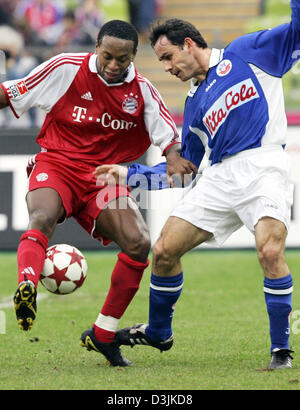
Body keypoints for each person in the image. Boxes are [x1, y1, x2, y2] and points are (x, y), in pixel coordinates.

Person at [110, 0, 300, 370]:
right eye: (161, 62)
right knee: (164, 250)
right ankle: (159, 333)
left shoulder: (248, 52)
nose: (167, 68)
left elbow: (297, 29)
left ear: (189, 44)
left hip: (264, 166)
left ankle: (281, 351)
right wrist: (129, 174)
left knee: (269, 251)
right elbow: (185, 170)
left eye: (168, 57)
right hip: (218, 177)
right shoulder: (194, 101)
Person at [0, 20, 196, 367]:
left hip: (103, 180)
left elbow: (169, 140)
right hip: (57, 164)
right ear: (96, 48)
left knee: (138, 242)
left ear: (134, 57)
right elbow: (11, 93)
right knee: (42, 216)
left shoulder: (144, 91)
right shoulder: (65, 69)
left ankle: (103, 334)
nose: (113, 65)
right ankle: (26, 284)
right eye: (107, 56)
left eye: (122, 59)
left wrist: (175, 159)